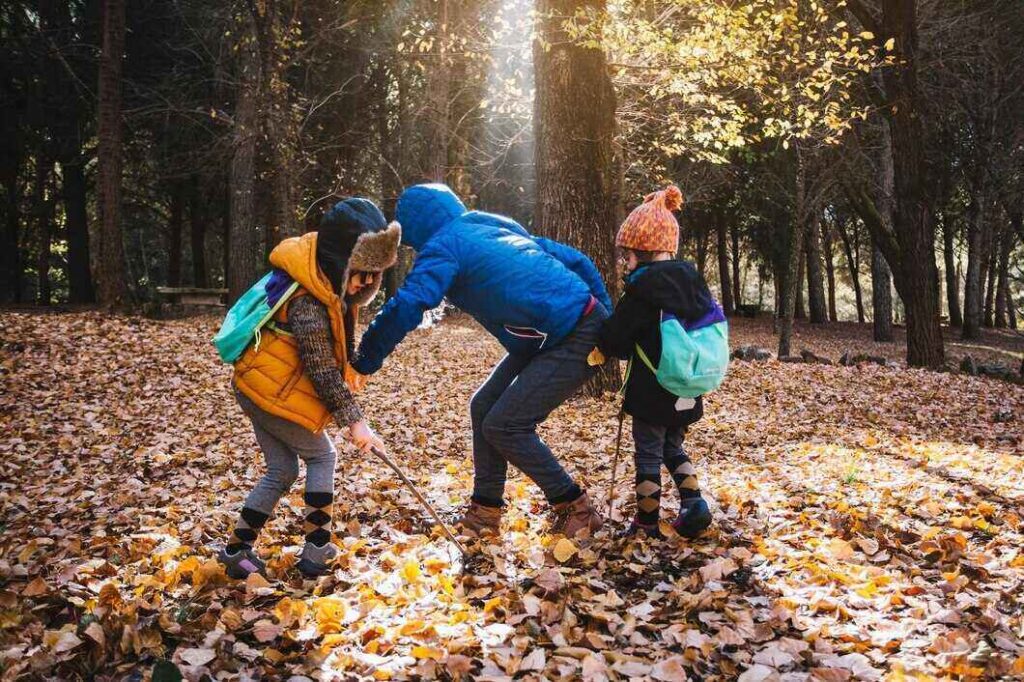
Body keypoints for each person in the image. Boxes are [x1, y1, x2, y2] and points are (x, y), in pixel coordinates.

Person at [350, 183, 613, 539]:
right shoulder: (491, 226)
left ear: (417, 229)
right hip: (555, 334)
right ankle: (485, 512)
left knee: (506, 425)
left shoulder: (443, 245)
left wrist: (365, 358)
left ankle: (576, 508)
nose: (414, 249)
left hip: (576, 334)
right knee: (484, 407)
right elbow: (575, 259)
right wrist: (603, 308)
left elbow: (410, 303)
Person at [218, 198, 400, 578]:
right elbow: (321, 371)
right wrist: (356, 422)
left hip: (260, 386)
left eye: (374, 275)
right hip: (268, 392)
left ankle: (237, 552)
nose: (367, 283)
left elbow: (335, 359)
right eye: (361, 272)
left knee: (282, 469)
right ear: (340, 261)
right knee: (323, 457)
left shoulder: (329, 289)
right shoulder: (308, 301)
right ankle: (318, 550)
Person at [593, 185, 716, 539]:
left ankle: (646, 523)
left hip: (652, 389)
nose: (625, 263)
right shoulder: (693, 284)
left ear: (644, 253)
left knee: (648, 454)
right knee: (672, 447)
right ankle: (695, 504)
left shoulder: (643, 291)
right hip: (688, 385)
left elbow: (615, 339)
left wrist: (604, 334)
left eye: (628, 256)